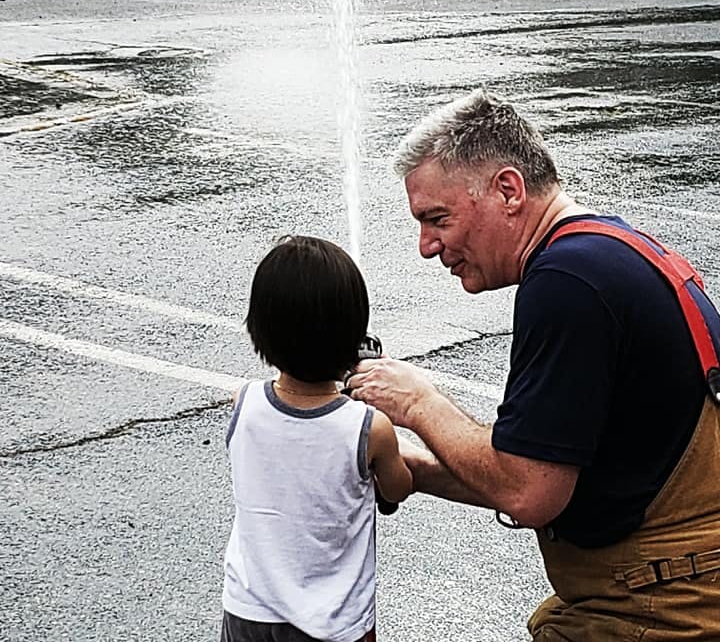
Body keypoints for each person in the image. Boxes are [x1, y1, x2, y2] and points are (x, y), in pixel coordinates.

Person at [346, 89, 720, 641]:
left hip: (664, 609)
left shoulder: (565, 284)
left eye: (437, 218)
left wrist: (417, 401)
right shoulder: (608, 250)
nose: (426, 246)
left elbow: (528, 492)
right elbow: (549, 471)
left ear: (508, 190)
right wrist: (413, 468)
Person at [221, 235, 413, 642]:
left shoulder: (244, 402)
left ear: (259, 329)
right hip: (332, 621)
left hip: (249, 610)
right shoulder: (368, 427)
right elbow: (398, 488)